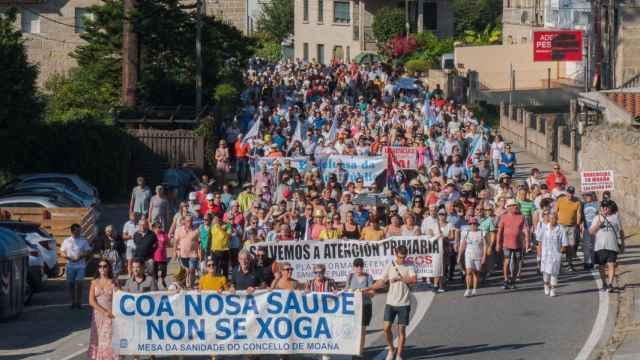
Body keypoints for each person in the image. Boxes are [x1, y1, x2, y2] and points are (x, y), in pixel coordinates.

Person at [371, 245, 416, 360]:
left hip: (404, 303)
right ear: (396, 255)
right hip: (390, 302)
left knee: (401, 329)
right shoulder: (389, 265)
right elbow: (381, 282)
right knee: (386, 328)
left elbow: (413, 280)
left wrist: (399, 279)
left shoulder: (409, 265)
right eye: (400, 257)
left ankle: (399, 355)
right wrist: (367, 288)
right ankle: (391, 349)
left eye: (404, 257)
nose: (402, 260)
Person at [590, 200, 625, 292]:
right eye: (603, 207)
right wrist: (598, 224)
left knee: (611, 264)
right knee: (601, 267)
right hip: (600, 246)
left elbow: (621, 232)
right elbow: (591, 232)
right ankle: (604, 283)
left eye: (607, 207)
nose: (605, 209)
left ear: (610, 208)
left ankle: (610, 284)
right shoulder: (597, 218)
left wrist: (622, 244)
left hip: (612, 245)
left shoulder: (615, 218)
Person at [88, 259, 119, 360]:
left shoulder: (114, 282)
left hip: (111, 315)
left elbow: (122, 298)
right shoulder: (94, 282)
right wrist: (104, 312)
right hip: (97, 316)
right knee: (97, 340)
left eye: (104, 266)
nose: (102, 268)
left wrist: (117, 289)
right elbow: (91, 301)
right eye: (100, 266)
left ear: (109, 267)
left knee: (108, 341)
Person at [345, 258, 375, 359]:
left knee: (362, 330)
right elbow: (346, 290)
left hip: (365, 306)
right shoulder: (350, 277)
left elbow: (372, 294)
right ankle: (354, 350)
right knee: (353, 330)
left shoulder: (368, 277)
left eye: (361, 266)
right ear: (354, 267)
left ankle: (359, 352)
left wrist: (363, 291)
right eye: (357, 266)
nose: (359, 268)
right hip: (353, 306)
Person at [496, 200, 530, 290]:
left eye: (516, 205)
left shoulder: (522, 217)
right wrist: (497, 244)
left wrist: (527, 243)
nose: (516, 207)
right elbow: (499, 231)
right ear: (509, 207)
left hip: (518, 244)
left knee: (516, 262)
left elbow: (526, 230)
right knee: (506, 261)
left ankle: (513, 280)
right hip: (506, 243)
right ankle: (506, 280)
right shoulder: (503, 217)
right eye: (514, 205)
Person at [536, 212, 568, 297]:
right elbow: (539, 241)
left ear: (557, 219)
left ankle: (553, 289)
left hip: (555, 254)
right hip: (545, 254)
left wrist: (560, 253)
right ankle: (546, 285)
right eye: (551, 218)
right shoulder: (544, 228)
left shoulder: (561, 229)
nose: (552, 220)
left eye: (554, 218)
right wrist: (539, 251)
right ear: (549, 219)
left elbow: (564, 243)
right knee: (546, 273)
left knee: (554, 273)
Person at [61, 223, 91, 309]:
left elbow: (88, 251)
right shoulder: (66, 241)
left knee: (79, 283)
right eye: (77, 231)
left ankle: (79, 302)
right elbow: (62, 252)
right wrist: (68, 257)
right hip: (70, 266)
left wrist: (80, 256)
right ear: (72, 231)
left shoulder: (83, 241)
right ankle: (73, 301)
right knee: (71, 284)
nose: (79, 232)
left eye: (80, 231)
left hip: (80, 266)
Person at [555, 186, 582, 272]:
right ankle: (558, 264)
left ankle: (570, 264)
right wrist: (554, 223)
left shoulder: (577, 202)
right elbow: (555, 211)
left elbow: (579, 214)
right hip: (561, 225)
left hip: (572, 226)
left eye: (572, 193)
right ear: (566, 192)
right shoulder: (560, 200)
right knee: (560, 245)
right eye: (569, 193)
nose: (570, 195)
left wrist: (578, 225)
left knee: (571, 245)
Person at [458, 217, 486, 297]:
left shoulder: (481, 232)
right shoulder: (466, 233)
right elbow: (463, 245)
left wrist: (484, 256)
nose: (473, 225)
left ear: (477, 225)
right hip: (468, 255)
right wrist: (459, 256)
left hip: (478, 255)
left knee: (476, 273)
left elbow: (485, 245)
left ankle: (474, 289)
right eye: (471, 224)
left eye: (474, 224)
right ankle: (468, 289)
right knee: (468, 272)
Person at [174, 216, 199, 288]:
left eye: (191, 221)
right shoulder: (178, 230)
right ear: (184, 221)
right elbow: (176, 242)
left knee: (192, 270)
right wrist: (174, 252)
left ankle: (191, 285)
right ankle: (184, 283)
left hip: (193, 254)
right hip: (182, 254)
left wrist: (200, 253)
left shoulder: (196, 230)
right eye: (188, 221)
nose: (190, 222)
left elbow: (199, 242)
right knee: (186, 271)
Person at [582, 192, 599, 270]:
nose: (588, 197)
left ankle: (593, 262)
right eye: (586, 195)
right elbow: (580, 215)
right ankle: (586, 262)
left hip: (595, 228)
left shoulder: (597, 204)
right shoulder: (583, 204)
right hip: (586, 228)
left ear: (592, 196)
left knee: (595, 246)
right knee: (586, 246)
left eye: (589, 195)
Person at [152, 222, 169, 289]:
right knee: (155, 271)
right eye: (158, 227)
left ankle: (162, 279)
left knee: (164, 270)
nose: (159, 228)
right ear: (154, 228)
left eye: (160, 227)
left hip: (163, 256)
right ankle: (155, 283)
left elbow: (168, 242)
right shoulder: (152, 235)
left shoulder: (164, 234)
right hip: (154, 256)